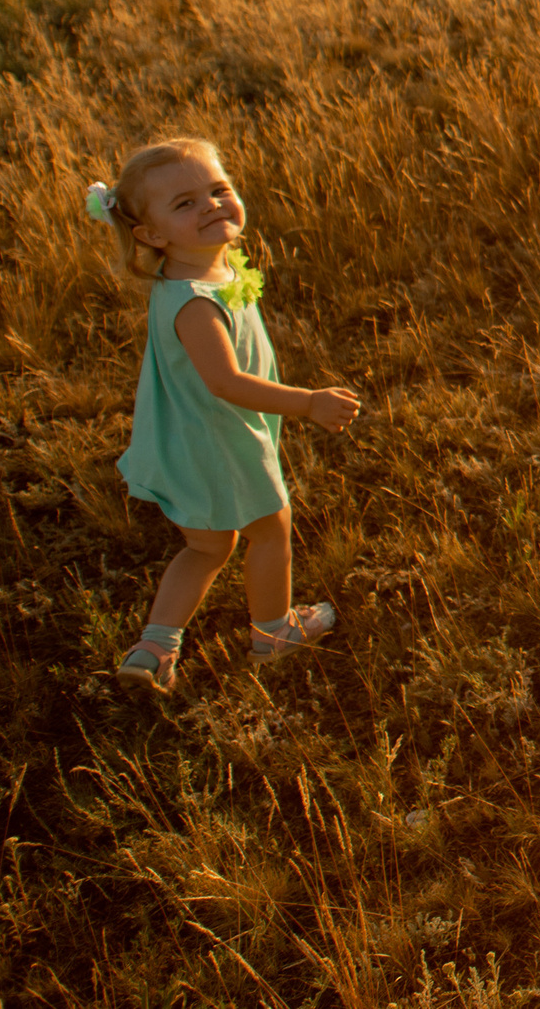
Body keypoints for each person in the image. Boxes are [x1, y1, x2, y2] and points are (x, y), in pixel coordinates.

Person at [89, 139, 361, 695]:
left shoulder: (203, 270)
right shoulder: (193, 300)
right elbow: (226, 383)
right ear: (152, 235)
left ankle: (154, 647)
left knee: (207, 546)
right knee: (270, 531)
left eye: (218, 190)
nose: (212, 206)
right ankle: (274, 633)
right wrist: (308, 402)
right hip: (220, 442)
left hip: (185, 439)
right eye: (185, 204)